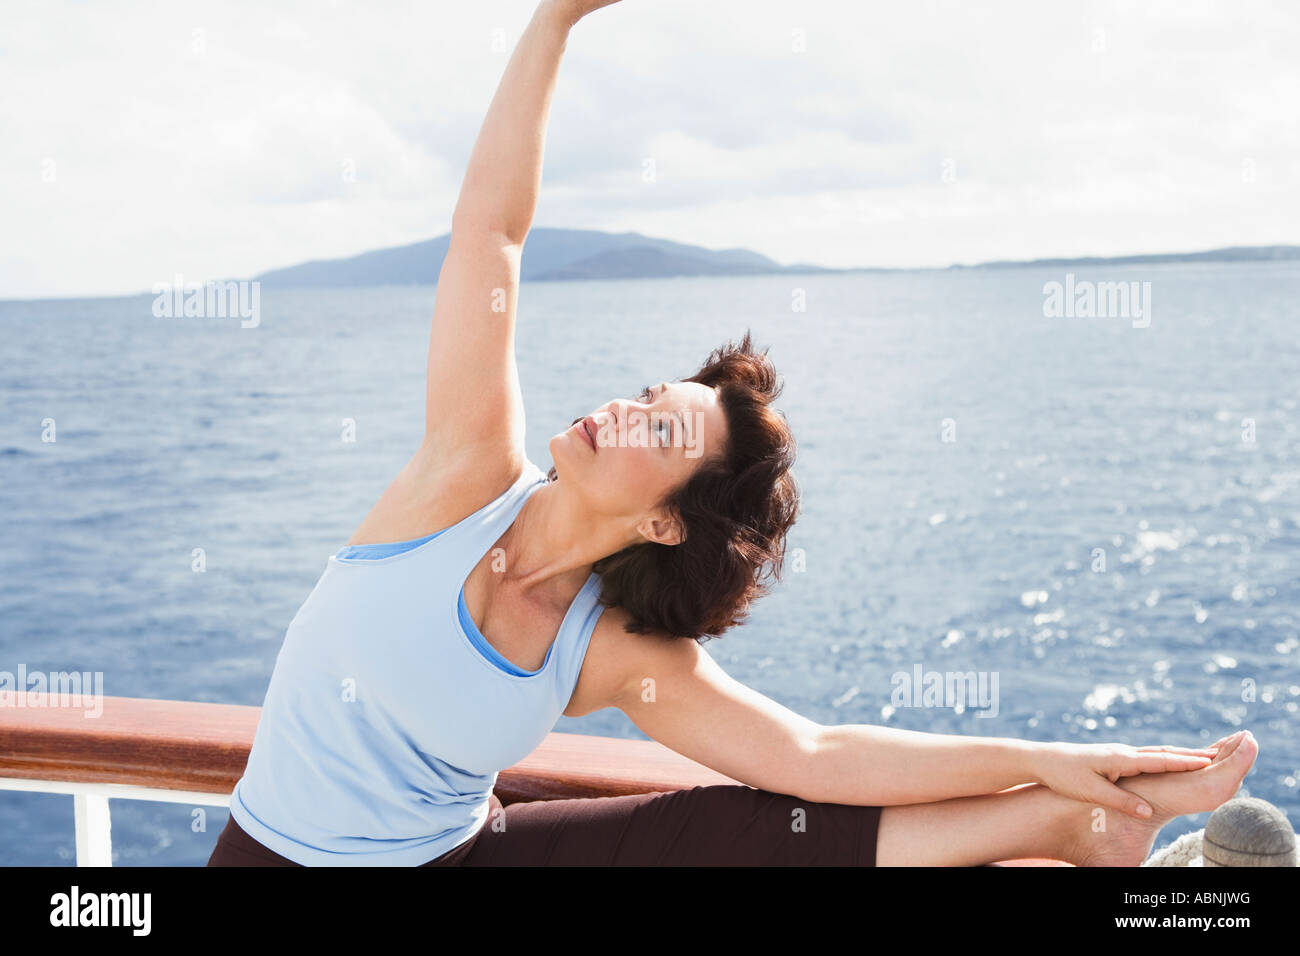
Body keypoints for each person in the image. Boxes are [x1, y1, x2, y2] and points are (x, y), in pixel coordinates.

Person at [207, 0, 1258, 867]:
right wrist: (555, 22)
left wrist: (1064, 756)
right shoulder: (463, 470)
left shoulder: (610, 645)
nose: (622, 406)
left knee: (734, 826)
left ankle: (1070, 818)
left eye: (657, 426)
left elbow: (812, 752)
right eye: (646, 392)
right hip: (273, 853)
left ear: (666, 523)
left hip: (451, 856)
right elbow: (493, 232)